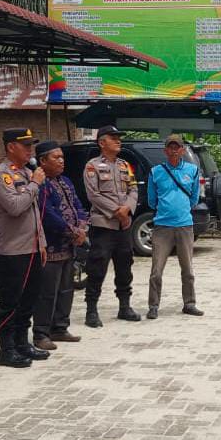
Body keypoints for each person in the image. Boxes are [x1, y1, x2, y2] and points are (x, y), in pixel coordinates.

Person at [0, 128, 50, 368]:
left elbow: (35, 213)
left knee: (28, 300)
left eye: (30, 145)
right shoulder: (1, 175)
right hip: (11, 251)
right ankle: (7, 349)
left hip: (31, 248)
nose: (29, 150)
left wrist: (41, 243)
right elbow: (15, 207)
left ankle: (22, 343)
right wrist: (34, 184)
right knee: (10, 302)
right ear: (10, 147)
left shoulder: (26, 172)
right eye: (25, 145)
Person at [32, 141, 87, 348]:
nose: (61, 161)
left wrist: (82, 227)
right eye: (56, 157)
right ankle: (41, 333)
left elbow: (78, 205)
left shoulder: (66, 181)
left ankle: (60, 328)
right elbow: (47, 214)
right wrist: (72, 231)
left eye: (62, 157)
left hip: (69, 247)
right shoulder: (41, 184)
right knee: (47, 292)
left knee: (66, 289)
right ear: (43, 161)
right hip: (51, 247)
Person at [83, 125, 140, 325]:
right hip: (103, 226)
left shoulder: (125, 165)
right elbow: (94, 195)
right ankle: (91, 310)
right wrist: (117, 211)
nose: (118, 140)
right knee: (97, 268)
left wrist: (127, 209)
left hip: (123, 226)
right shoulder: (92, 166)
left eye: (118, 137)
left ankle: (124, 306)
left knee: (125, 267)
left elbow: (133, 189)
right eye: (113, 137)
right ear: (101, 142)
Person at [146, 135, 203, 320]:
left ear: (182, 150)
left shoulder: (192, 170)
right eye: (170, 147)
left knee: (187, 269)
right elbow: (151, 200)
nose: (173, 151)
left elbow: (194, 197)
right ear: (165, 151)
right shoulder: (156, 172)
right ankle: (153, 306)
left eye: (176, 147)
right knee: (156, 270)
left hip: (184, 225)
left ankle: (189, 303)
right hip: (162, 226)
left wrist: (182, 209)